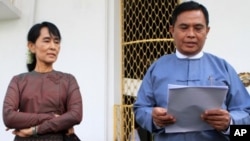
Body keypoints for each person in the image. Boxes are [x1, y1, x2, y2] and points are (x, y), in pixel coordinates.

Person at [133, 1, 250, 141]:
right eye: (184, 27)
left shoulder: (223, 68)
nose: (191, 34)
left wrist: (229, 123)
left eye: (198, 28)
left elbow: (245, 113)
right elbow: (140, 108)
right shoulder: (157, 68)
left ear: (207, 31)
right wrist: (153, 117)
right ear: (172, 30)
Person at [2, 21, 83, 141]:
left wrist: (34, 130)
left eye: (56, 42)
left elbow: (75, 115)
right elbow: (9, 117)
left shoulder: (68, 80)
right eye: (47, 41)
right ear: (31, 46)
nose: (53, 46)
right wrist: (49, 117)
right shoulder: (18, 81)